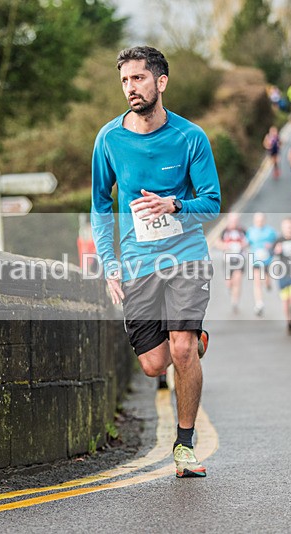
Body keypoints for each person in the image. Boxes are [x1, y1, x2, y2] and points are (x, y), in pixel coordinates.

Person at [91, 46, 221, 477]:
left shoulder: (190, 138)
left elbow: (212, 204)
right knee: (153, 365)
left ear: (160, 82)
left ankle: (184, 446)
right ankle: (191, 344)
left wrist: (175, 205)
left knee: (181, 347)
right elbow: (99, 207)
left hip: (186, 256)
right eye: (125, 80)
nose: (131, 88)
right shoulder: (109, 139)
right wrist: (109, 263)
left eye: (139, 79)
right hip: (137, 262)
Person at [246, 212, 277, 317]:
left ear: (264, 220)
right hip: (256, 260)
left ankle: (268, 283)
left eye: (260, 220)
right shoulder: (251, 231)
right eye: (257, 220)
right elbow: (246, 243)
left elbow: (276, 243)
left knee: (266, 280)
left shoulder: (270, 232)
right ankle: (259, 304)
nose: (259, 222)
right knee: (257, 282)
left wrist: (271, 246)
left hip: (267, 260)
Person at [218, 212, 248, 313]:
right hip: (227, 260)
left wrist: (244, 244)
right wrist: (224, 246)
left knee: (238, 280)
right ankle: (230, 288)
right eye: (232, 220)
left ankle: (235, 302)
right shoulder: (224, 231)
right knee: (229, 282)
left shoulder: (243, 230)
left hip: (240, 259)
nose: (234, 222)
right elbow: (217, 242)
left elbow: (249, 241)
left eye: (235, 220)